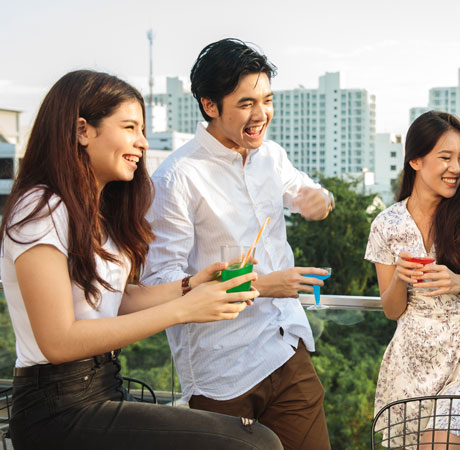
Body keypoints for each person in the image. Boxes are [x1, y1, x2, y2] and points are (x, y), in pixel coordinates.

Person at [0, 70, 283, 450]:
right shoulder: (41, 208)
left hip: (102, 387)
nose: (143, 143)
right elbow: (58, 341)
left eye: (143, 130)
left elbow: (119, 299)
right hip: (57, 410)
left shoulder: (95, 213)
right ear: (82, 130)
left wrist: (191, 285)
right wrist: (184, 311)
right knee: (254, 443)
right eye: (130, 127)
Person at [141, 38, 333, 450]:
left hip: (284, 346)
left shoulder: (271, 157)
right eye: (247, 103)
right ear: (210, 105)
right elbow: (162, 281)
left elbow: (308, 193)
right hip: (221, 369)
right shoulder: (177, 178)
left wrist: (320, 200)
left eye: (267, 99)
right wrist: (262, 286)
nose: (261, 115)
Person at [365, 111, 460, 448]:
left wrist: (458, 282)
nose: (457, 168)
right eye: (445, 157)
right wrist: (400, 278)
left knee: (440, 443)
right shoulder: (386, 225)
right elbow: (391, 310)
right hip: (411, 357)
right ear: (415, 160)